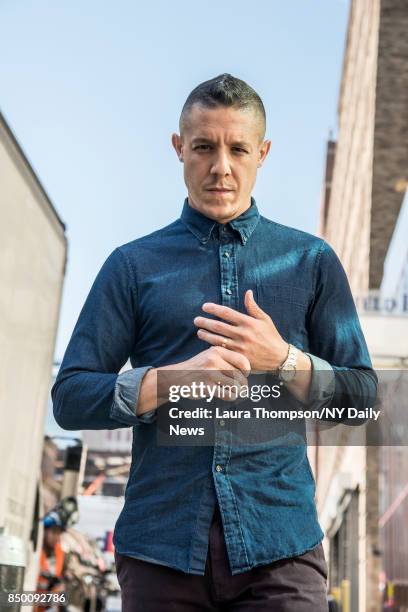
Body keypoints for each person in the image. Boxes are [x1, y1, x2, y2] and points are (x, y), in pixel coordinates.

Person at [52, 74, 377, 611]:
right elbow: (70, 397)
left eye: (238, 148)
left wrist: (285, 360)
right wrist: (171, 382)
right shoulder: (132, 267)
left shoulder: (311, 262)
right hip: (162, 549)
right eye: (204, 147)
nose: (221, 167)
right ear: (179, 148)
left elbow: (364, 397)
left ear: (263, 153)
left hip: (281, 549)